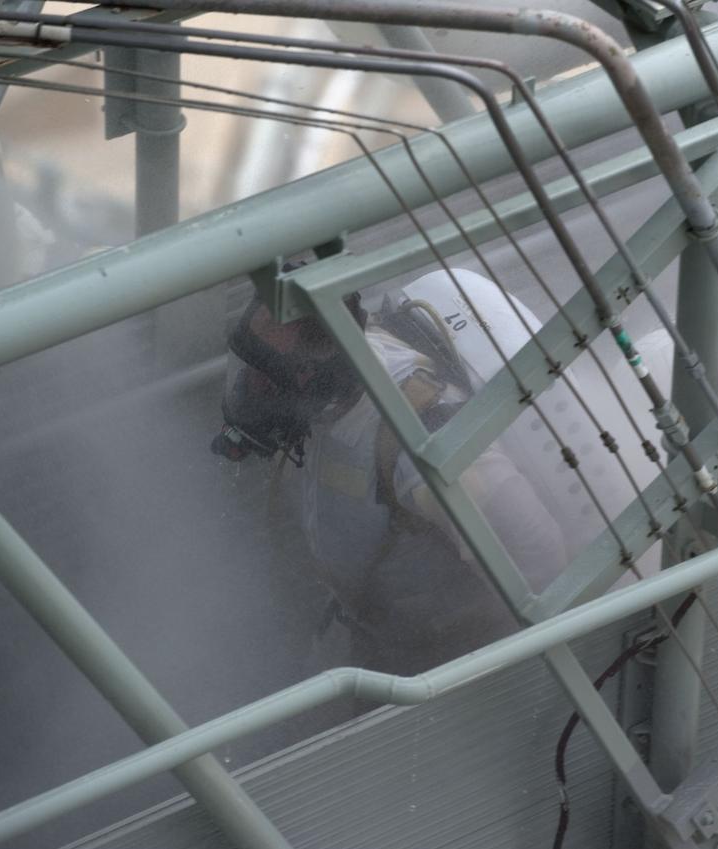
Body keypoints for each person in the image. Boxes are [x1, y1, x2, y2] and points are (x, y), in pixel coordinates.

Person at [212, 267, 572, 672]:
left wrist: (497, 667)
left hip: (437, 659)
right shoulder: (334, 395)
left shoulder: (420, 440)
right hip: (374, 628)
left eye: (265, 379)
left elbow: (538, 553)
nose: (248, 388)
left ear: (312, 376)